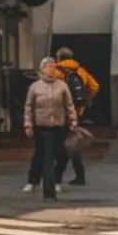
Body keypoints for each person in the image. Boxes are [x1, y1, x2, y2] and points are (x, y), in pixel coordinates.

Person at [22, 58, 78, 201]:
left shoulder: (62, 86)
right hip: (41, 125)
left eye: (54, 66)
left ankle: (56, 180)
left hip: (59, 125)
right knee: (41, 154)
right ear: (42, 69)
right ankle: (33, 180)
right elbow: (29, 107)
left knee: (60, 154)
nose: (52, 69)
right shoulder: (35, 87)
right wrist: (28, 124)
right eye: (49, 66)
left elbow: (69, 105)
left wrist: (73, 121)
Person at [52, 47, 100, 187]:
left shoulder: (56, 72)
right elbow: (95, 86)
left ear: (59, 58)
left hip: (61, 114)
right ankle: (80, 176)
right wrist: (87, 100)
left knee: (61, 145)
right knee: (73, 143)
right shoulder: (80, 70)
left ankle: (57, 178)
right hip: (78, 112)